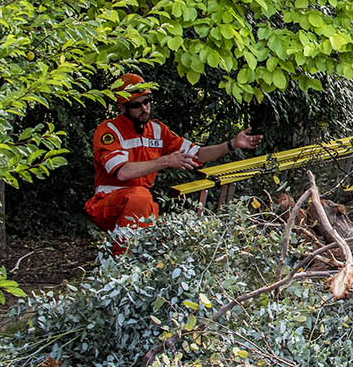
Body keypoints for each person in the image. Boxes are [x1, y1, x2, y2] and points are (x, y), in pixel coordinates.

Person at [84, 73, 261, 255]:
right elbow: (122, 172)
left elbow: (197, 154)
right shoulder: (109, 131)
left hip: (140, 203)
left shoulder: (157, 130)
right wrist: (166, 160)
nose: (144, 108)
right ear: (121, 107)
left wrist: (232, 144)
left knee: (145, 206)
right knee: (140, 198)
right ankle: (122, 263)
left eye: (147, 101)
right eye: (136, 105)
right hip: (109, 201)